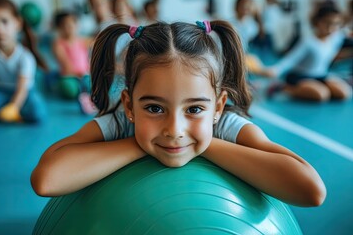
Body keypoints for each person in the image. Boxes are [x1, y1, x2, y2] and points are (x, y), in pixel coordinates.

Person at [31, 20, 326, 207]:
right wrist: (137, 144)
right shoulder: (119, 122)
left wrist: (207, 144)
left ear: (218, 106)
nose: (175, 129)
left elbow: (311, 190)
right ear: (129, 105)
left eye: (195, 109)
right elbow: (47, 180)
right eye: (154, 108)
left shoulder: (228, 126)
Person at [265, 4, 353, 101]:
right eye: (327, 23)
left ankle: (315, 88)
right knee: (321, 95)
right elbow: (291, 59)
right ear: (317, 22)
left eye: (336, 24)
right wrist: (276, 70)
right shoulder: (308, 42)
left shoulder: (336, 38)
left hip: (321, 75)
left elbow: (347, 33)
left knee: (344, 93)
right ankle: (283, 87)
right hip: (300, 76)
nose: (331, 27)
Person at [0, 0, 47, 123]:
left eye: (4, 21)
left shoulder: (25, 57)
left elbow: (22, 88)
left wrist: (14, 107)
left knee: (37, 112)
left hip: (25, 92)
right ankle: (4, 109)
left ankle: (14, 111)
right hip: (2, 91)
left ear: (18, 23)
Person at [52, 10, 97, 115]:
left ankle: (86, 95)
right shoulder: (58, 44)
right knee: (69, 88)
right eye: (65, 25)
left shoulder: (83, 40)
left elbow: (98, 43)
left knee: (93, 83)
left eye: (72, 24)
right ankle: (82, 94)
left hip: (85, 74)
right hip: (69, 76)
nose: (69, 27)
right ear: (59, 28)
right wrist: (77, 73)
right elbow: (65, 63)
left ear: (77, 25)